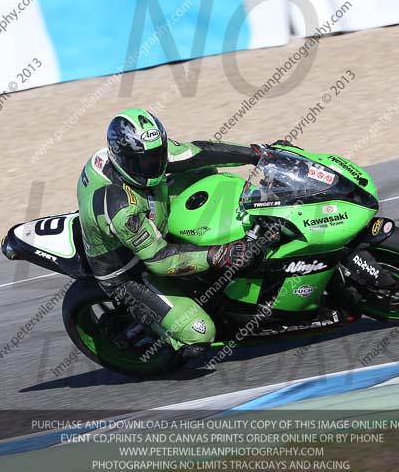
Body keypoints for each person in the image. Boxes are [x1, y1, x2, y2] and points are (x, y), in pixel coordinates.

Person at [77, 108, 281, 359]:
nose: (152, 166)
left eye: (156, 156)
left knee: (205, 172)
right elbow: (160, 260)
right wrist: (222, 254)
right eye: (143, 162)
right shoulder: (121, 208)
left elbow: (200, 153)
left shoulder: (147, 152)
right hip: (130, 268)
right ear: (121, 158)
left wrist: (259, 154)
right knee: (200, 334)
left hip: (152, 209)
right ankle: (149, 328)